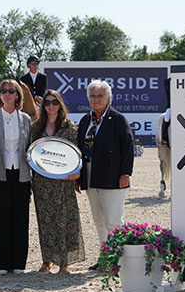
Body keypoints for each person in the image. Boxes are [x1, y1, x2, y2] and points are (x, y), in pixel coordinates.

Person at [75, 79, 134, 270]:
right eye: (92, 96)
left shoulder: (118, 119)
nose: (96, 99)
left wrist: (125, 173)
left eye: (100, 96)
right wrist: (78, 176)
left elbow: (128, 148)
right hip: (91, 173)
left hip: (112, 175)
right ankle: (105, 258)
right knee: (99, 220)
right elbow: (78, 150)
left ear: (108, 98)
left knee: (113, 220)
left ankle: (118, 259)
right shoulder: (85, 121)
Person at [30, 90, 85, 274]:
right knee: (45, 222)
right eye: (47, 102)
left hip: (63, 182)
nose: (51, 105)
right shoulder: (36, 127)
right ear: (43, 106)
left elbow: (78, 155)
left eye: (54, 102)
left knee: (65, 221)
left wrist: (77, 174)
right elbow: (31, 152)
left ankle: (64, 263)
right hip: (42, 183)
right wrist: (29, 157)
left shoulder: (70, 128)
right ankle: (47, 261)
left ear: (60, 104)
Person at [0, 79, 32, 275]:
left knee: (20, 219)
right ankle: (1, 264)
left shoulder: (26, 119)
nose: (7, 94)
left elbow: (30, 147)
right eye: (3, 90)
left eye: (11, 91)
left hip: (21, 175)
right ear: (0, 94)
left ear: (18, 95)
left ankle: (19, 264)